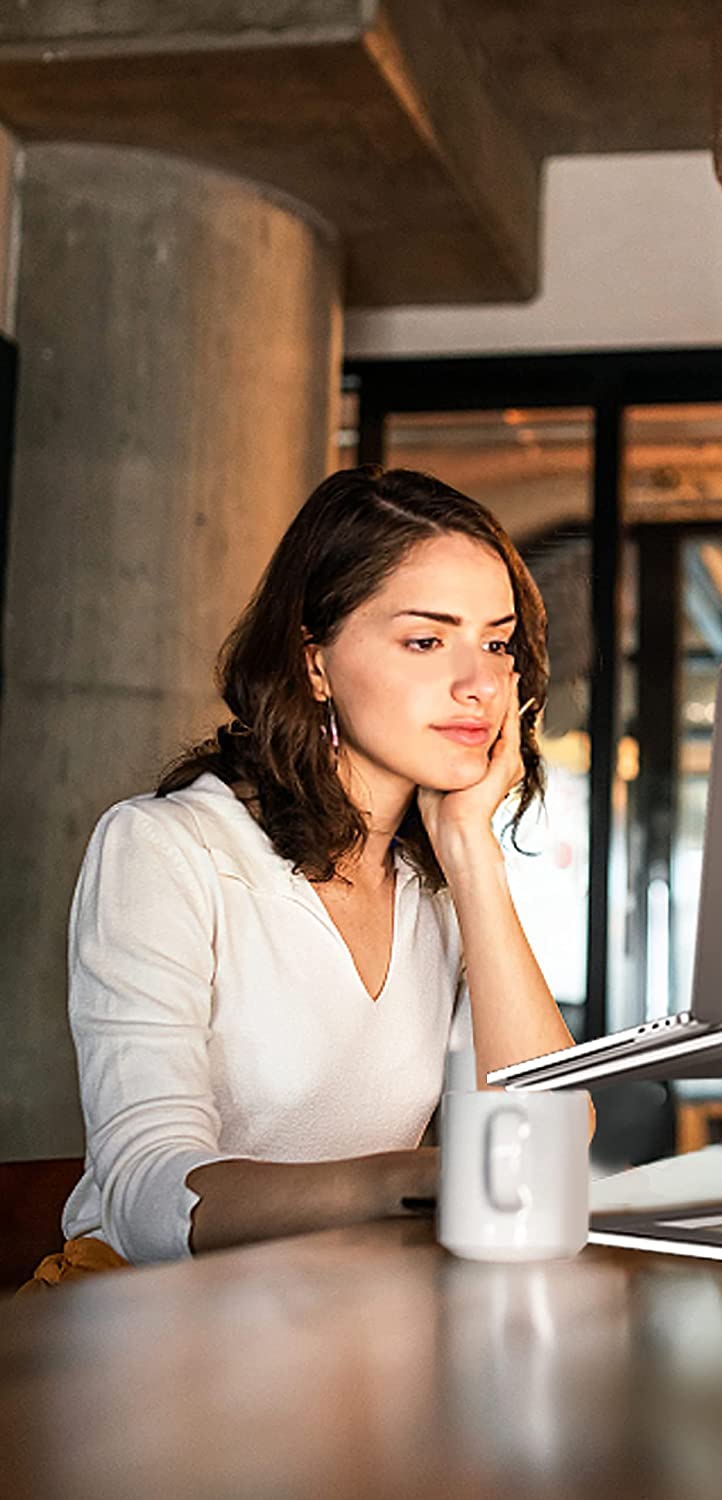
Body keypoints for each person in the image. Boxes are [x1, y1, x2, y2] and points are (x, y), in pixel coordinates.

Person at [34, 464, 588, 1277]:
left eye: (497, 643)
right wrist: (405, 1182)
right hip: (150, 1329)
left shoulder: (438, 887)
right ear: (315, 661)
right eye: (427, 640)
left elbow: (551, 1142)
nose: (478, 684)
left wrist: (472, 852)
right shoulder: (166, 850)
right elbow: (147, 1195)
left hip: (346, 1315)